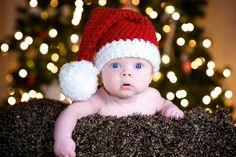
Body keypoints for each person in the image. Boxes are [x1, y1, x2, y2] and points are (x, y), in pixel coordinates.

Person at [54, 7, 184, 157]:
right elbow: (70, 112)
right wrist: (63, 139)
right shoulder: (100, 99)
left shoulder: (153, 97)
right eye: (115, 65)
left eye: (138, 66)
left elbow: (166, 104)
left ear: (150, 75)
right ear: (101, 73)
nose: (126, 73)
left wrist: (171, 108)